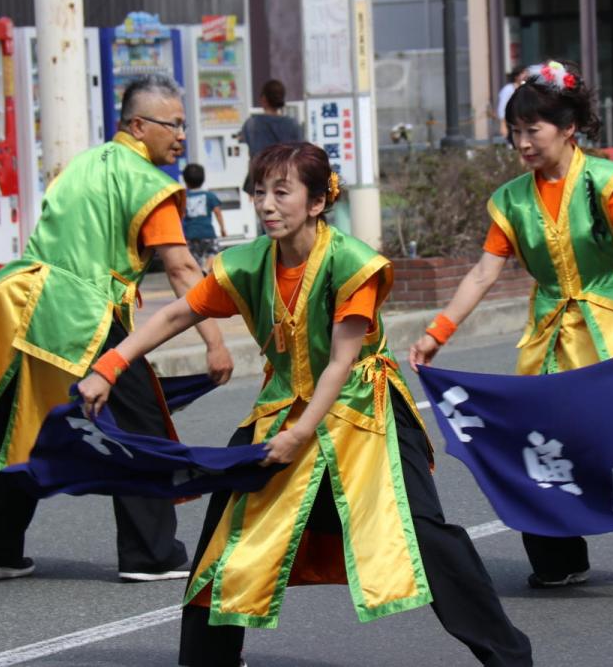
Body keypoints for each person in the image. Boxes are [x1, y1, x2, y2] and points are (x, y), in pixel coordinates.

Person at [79, 143, 533, 667]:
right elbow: (176, 315)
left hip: (366, 411)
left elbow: (340, 364)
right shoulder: (248, 264)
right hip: (284, 409)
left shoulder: (352, 264)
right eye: (259, 191)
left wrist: (301, 434)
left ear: (317, 202)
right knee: (226, 539)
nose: (267, 204)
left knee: (423, 534)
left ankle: (508, 655)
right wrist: (109, 367)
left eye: (282, 192)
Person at [410, 60, 613, 589]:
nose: (522, 143)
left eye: (533, 130)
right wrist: (438, 332)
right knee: (542, 443)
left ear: (568, 128)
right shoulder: (511, 200)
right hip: (548, 332)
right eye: (514, 132)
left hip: (610, 326)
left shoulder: (608, 181)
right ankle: (558, 558)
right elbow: (482, 273)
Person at [0, 75, 235, 583]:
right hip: (82, 312)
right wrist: (215, 342)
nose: (182, 135)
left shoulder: (80, 164)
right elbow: (182, 269)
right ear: (139, 125)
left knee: (18, 427)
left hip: (20, 304)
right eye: (174, 124)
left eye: (184, 124)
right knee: (140, 423)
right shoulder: (149, 182)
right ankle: (151, 553)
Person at [238, 79, 302, 193]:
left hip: (261, 180)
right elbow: (301, 152)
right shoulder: (292, 124)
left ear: (264, 99)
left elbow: (249, 152)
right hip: (287, 179)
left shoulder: (252, 124)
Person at [182, 162, 227, 272]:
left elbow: (181, 215)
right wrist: (222, 228)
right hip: (207, 233)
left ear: (185, 181)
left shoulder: (184, 198)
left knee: (194, 258)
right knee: (213, 251)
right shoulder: (209, 196)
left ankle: (198, 275)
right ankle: (206, 268)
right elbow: (218, 212)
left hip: (190, 235)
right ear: (203, 179)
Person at [497, 66, 527, 140]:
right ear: (516, 76)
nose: (525, 75)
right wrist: (503, 125)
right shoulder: (508, 89)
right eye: (522, 73)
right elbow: (502, 108)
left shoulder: (526, 89)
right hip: (511, 123)